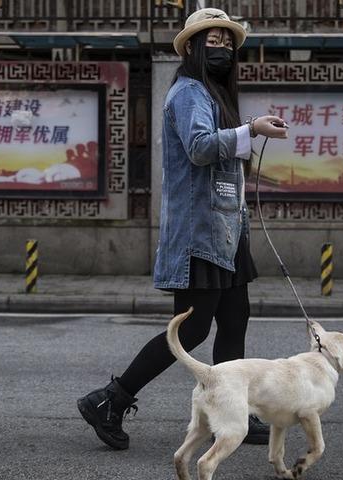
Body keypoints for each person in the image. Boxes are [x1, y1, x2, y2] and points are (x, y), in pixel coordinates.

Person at [76, 8, 289, 450]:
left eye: (228, 42)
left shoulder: (213, 93)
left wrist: (248, 132)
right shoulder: (189, 92)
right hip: (199, 233)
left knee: (235, 320)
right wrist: (250, 128)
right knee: (191, 330)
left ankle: (230, 415)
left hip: (227, 230)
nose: (223, 48)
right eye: (213, 40)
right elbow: (198, 149)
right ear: (192, 47)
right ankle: (110, 400)